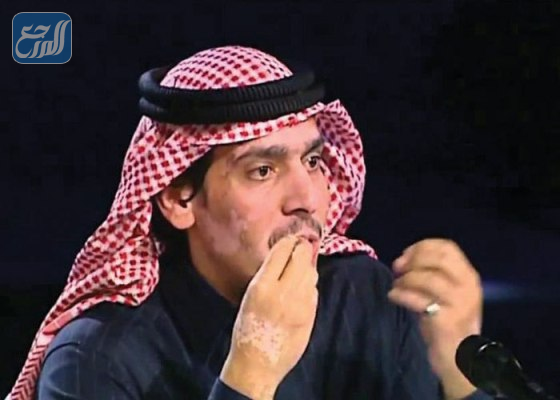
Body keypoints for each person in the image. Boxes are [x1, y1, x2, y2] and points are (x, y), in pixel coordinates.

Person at [9, 45, 491, 400]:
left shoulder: (368, 299)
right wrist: (250, 376)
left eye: (314, 162)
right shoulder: (95, 360)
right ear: (178, 198)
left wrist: (462, 374)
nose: (307, 199)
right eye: (262, 170)